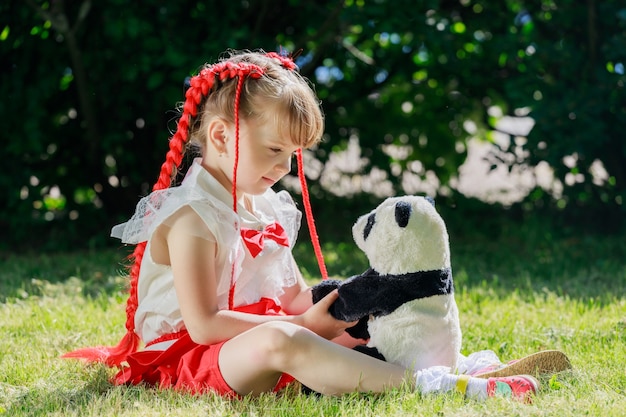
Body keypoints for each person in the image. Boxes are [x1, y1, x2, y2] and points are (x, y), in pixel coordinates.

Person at [63, 49, 563, 401]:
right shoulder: (192, 217)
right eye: (275, 150)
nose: (283, 167)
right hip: (187, 360)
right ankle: (433, 385)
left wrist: (351, 300)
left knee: (354, 326)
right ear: (219, 135)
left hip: (246, 346)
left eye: (293, 156)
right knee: (291, 342)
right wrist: (304, 323)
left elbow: (295, 296)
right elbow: (205, 325)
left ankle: (442, 362)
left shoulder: (263, 204)